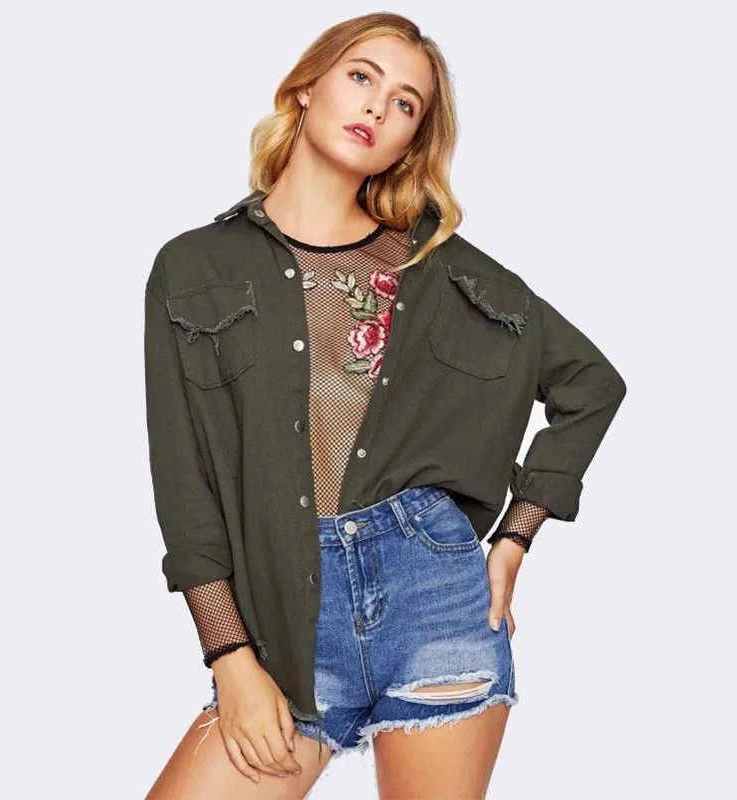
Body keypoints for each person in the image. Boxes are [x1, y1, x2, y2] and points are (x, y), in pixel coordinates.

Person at [144, 12, 627, 799]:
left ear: (410, 141)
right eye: (362, 77)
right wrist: (229, 656)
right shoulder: (194, 266)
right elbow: (184, 483)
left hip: (436, 602)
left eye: (406, 103)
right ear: (308, 86)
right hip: (285, 622)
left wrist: (513, 540)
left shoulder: (441, 270)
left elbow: (591, 385)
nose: (377, 106)